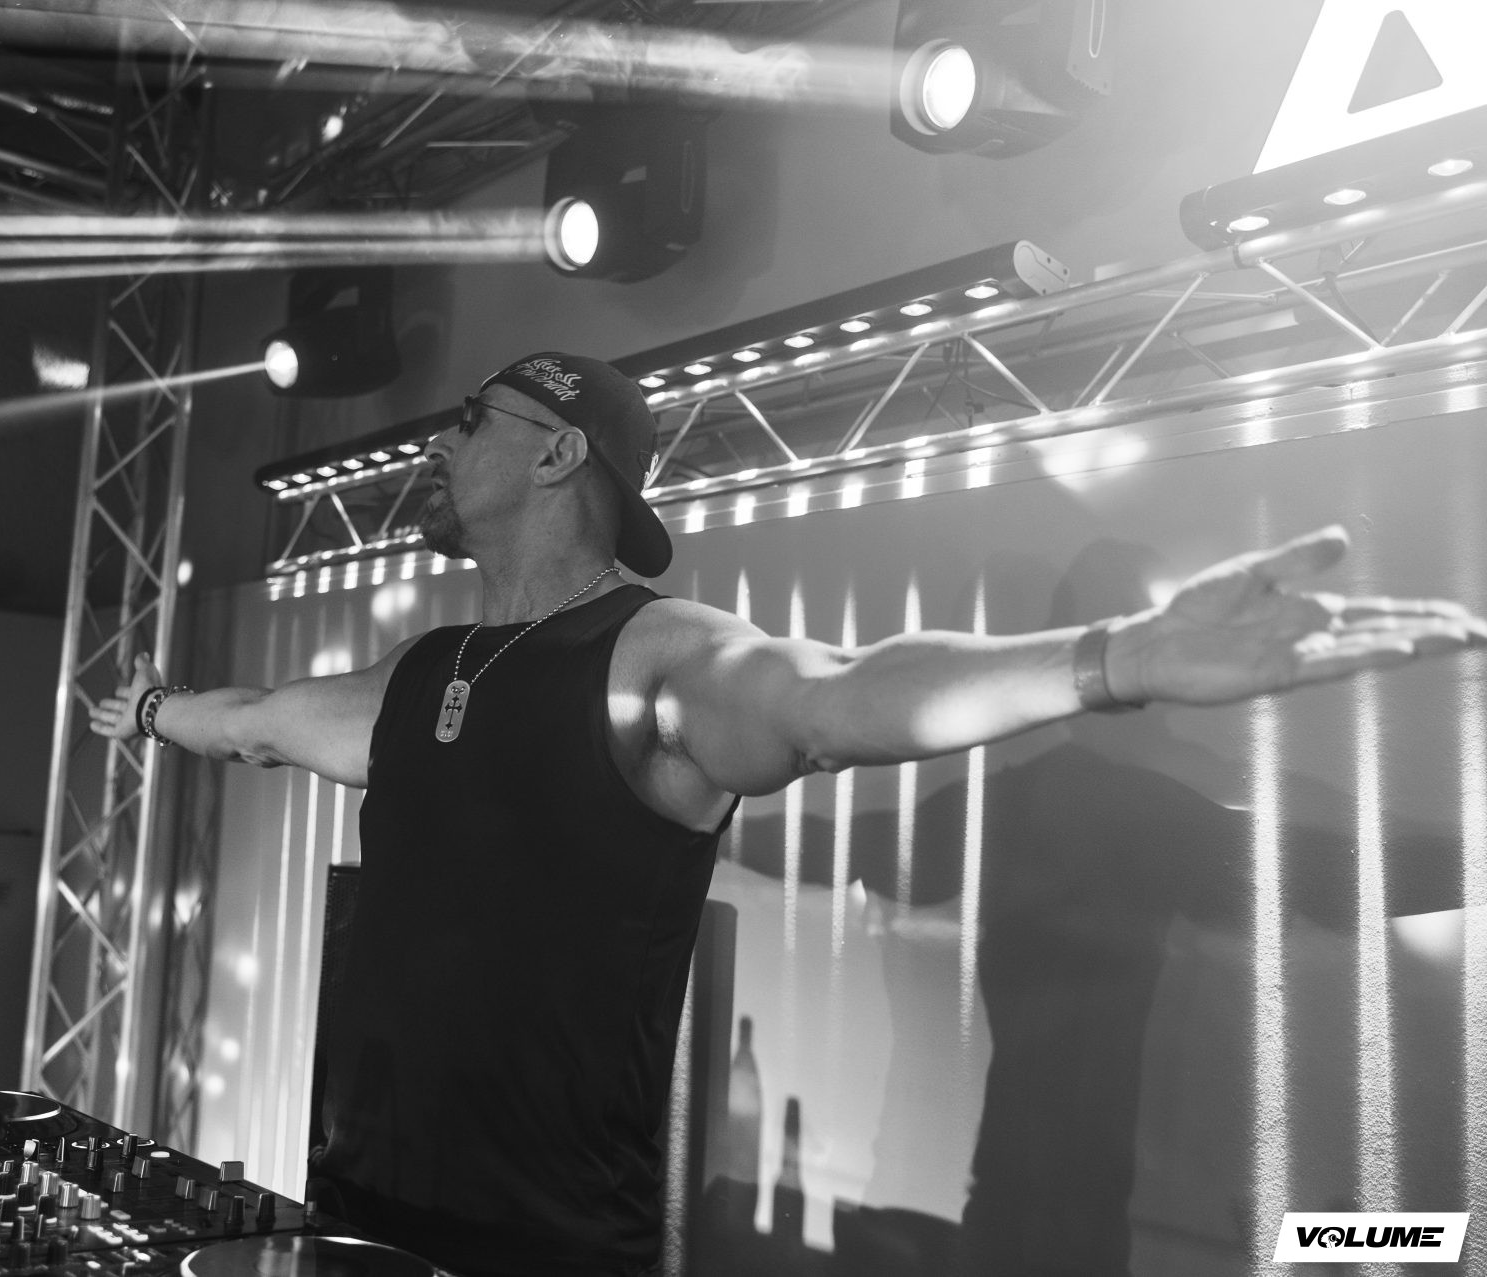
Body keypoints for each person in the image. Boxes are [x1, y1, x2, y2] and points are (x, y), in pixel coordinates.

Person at [89, 351, 1483, 1277]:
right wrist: (153, 710)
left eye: (475, 415)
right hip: (356, 1219)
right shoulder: (425, 673)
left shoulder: (660, 658)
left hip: (541, 1252)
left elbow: (840, 694)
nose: (445, 435)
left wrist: (1118, 658)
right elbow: (261, 719)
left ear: (559, 451)